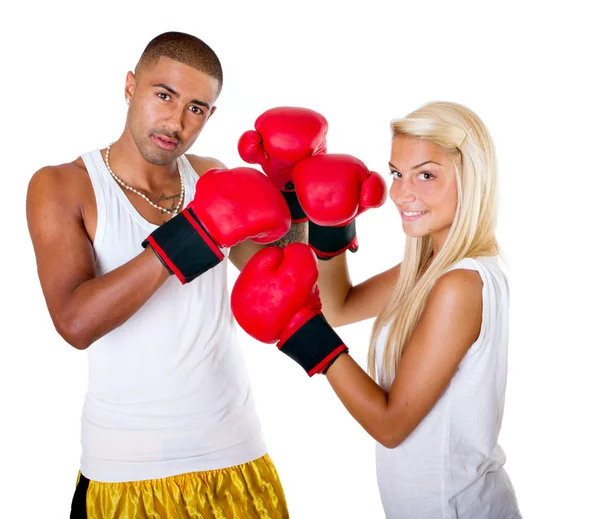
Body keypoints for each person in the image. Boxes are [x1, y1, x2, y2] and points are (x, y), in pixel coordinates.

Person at [25, 31, 319, 518]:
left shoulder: (213, 177)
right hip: (126, 472)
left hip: (236, 454)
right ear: (130, 86)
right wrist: (192, 234)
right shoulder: (62, 185)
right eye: (164, 95)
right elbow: (74, 322)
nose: (176, 121)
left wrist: (290, 189)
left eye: (197, 108)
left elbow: (282, 280)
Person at [230, 101, 522, 518]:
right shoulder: (432, 267)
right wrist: (327, 221)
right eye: (397, 173)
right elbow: (339, 307)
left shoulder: (460, 283)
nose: (402, 194)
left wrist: (301, 331)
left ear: (471, 178)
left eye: (426, 174)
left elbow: (390, 425)